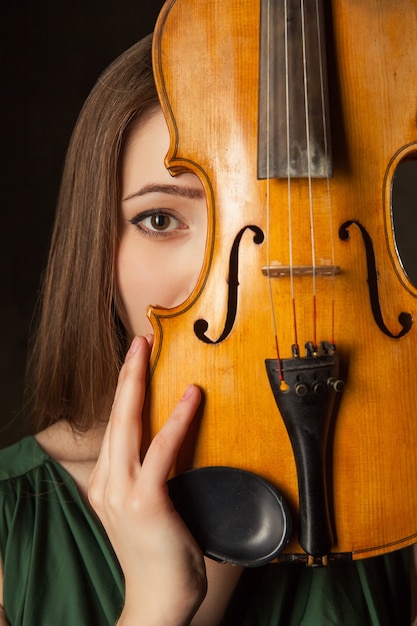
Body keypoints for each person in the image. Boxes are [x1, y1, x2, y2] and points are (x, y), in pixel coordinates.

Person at [0, 31, 415, 626]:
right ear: (97, 248)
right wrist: (158, 605)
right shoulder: (10, 523)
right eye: (161, 218)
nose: (238, 278)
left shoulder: (402, 491)